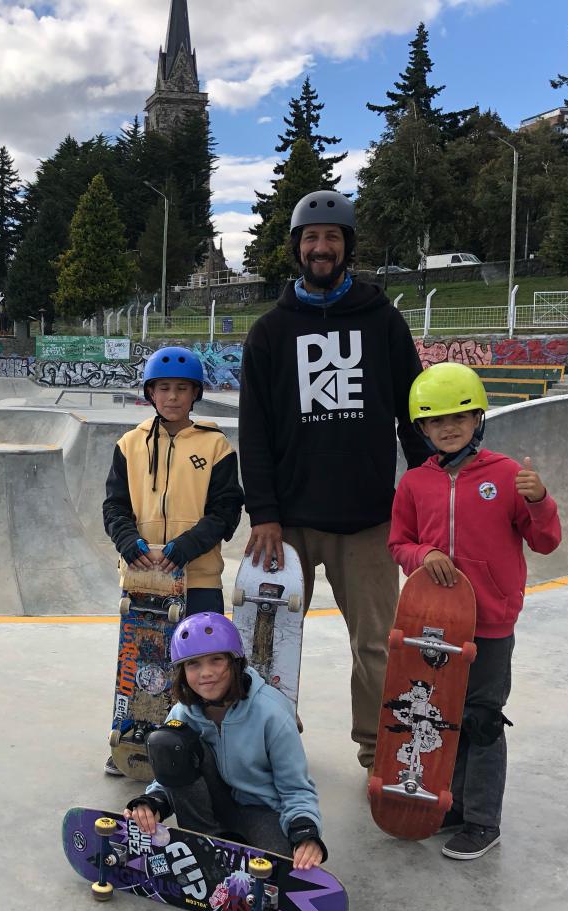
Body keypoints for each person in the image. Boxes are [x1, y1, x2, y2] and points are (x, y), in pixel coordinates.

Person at [237, 190, 428, 777]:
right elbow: (255, 429)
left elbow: (412, 412)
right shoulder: (270, 331)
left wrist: (429, 492)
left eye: (332, 238)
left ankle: (378, 751)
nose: (321, 248)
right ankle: (270, 745)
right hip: (287, 522)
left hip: (368, 519)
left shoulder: (382, 320)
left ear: (347, 246)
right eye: (311, 239)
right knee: (267, 645)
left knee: (377, 646)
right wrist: (264, 511)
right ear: (297, 247)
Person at [388, 362, 561, 860]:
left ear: (478, 418)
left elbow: (547, 542)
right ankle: (455, 806)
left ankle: (485, 822)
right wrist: (425, 555)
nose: (448, 427)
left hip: (489, 623)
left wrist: (541, 501)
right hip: (434, 622)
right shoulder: (415, 484)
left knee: (482, 719)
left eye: (460, 416)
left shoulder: (507, 475)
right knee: (443, 717)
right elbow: (399, 543)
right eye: (436, 420)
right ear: (421, 428)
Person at [102, 346, 244, 776]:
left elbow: (226, 511)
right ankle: (138, 738)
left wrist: (185, 547)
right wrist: (129, 543)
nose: (173, 397)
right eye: (163, 388)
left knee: (203, 666)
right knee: (147, 662)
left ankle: (205, 747)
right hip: (145, 579)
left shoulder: (215, 444)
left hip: (198, 575)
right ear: (150, 392)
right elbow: (114, 507)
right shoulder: (129, 444)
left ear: (195, 393)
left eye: (182, 389)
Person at [124, 613, 326, 870]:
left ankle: (223, 847)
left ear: (235, 662)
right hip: (210, 808)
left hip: (261, 810)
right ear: (182, 672)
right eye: (193, 664)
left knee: (279, 867)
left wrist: (306, 834)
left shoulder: (272, 713)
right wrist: (152, 803)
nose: (206, 673)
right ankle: (206, 840)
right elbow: (172, 771)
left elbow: (296, 789)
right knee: (167, 741)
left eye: (216, 660)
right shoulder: (183, 712)